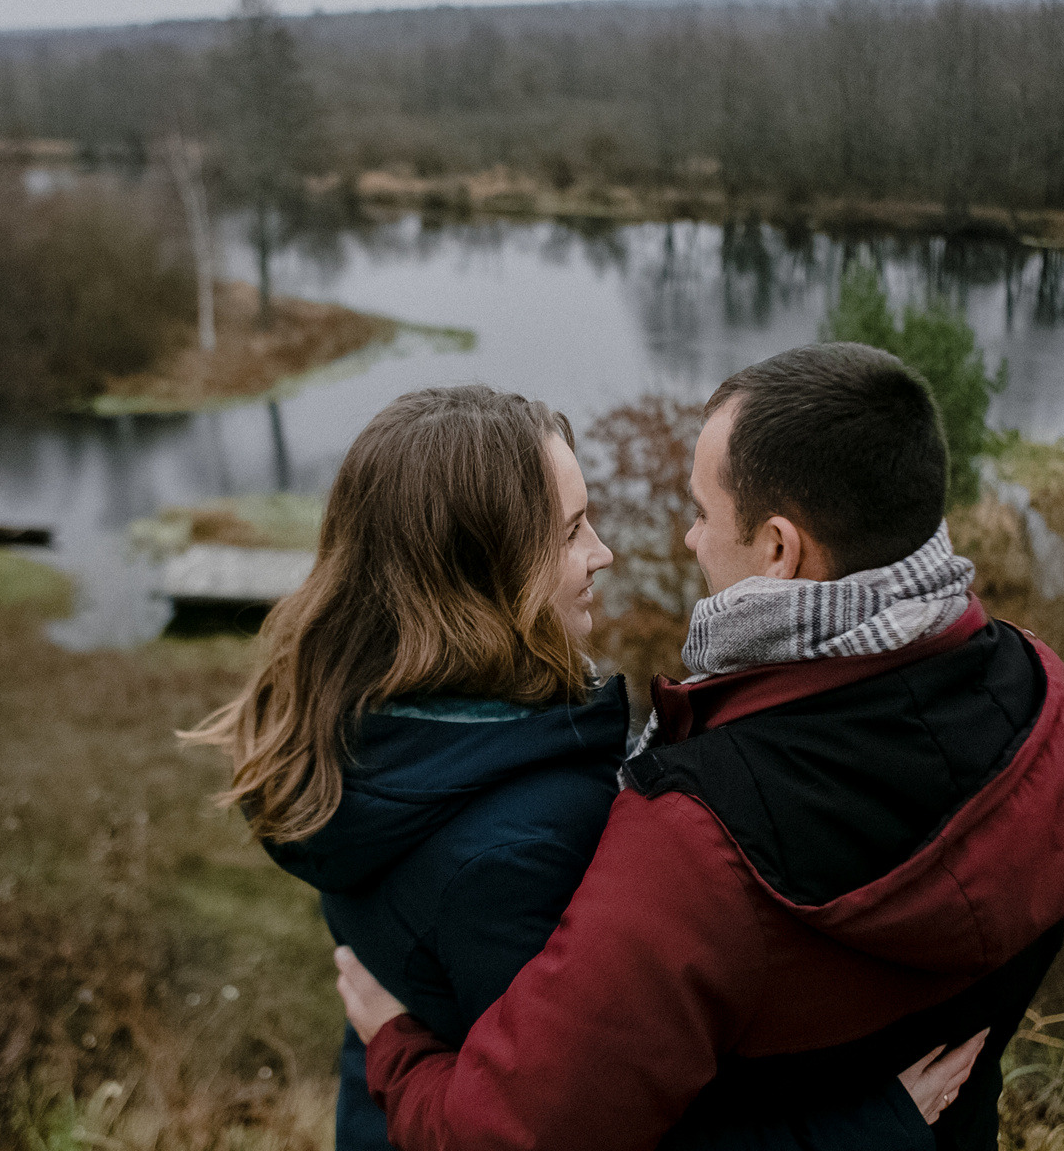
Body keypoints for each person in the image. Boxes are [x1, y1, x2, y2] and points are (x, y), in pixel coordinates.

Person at [334, 344, 1064, 1151]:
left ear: (777, 550)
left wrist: (400, 1053)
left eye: (700, 511)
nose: (684, 540)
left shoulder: (692, 839)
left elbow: (519, 1136)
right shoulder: (1046, 694)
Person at [188, 384, 978, 1151]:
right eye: (570, 532)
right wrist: (869, 1130)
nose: (603, 552)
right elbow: (584, 1124)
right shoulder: (521, 849)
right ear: (482, 575)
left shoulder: (360, 726)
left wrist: (396, 1047)